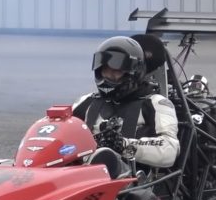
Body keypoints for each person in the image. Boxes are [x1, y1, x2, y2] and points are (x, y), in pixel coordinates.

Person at [73, 36, 179, 169]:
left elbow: (170, 150)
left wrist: (123, 145)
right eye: (105, 69)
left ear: (133, 72)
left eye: (116, 70)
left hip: (133, 177)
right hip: (83, 174)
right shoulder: (86, 101)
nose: (109, 75)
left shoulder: (157, 103)